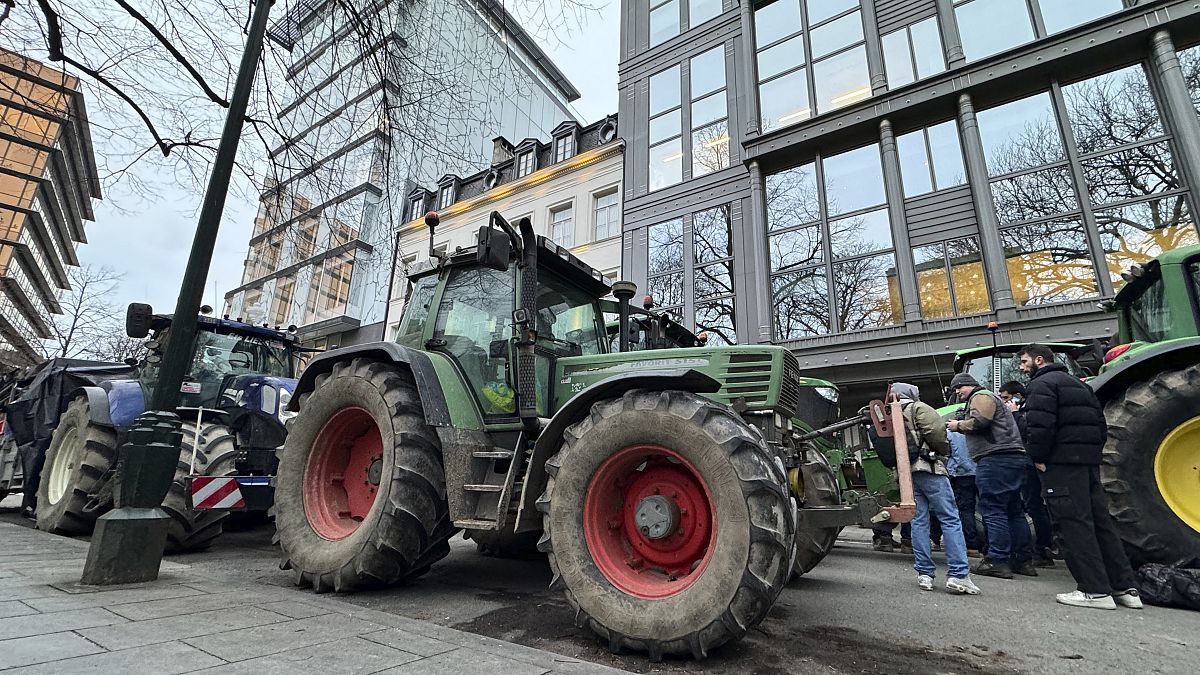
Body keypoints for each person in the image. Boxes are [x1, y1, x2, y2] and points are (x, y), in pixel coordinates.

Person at [1018, 344, 1141, 610]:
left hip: (1060, 464)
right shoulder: (1080, 385)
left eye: (1024, 361)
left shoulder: (1040, 386)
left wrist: (1038, 457)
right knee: (1100, 523)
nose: (1021, 367)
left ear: (1039, 360)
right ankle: (1124, 588)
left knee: (1073, 525)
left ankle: (1094, 590)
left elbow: (1039, 426)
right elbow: (1100, 423)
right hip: (1087, 463)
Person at [891, 383, 980, 595]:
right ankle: (958, 574)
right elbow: (937, 433)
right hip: (929, 468)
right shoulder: (918, 408)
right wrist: (943, 451)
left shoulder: (889, 414)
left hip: (906, 474)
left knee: (918, 521)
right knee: (950, 518)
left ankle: (924, 574)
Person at [946, 373, 1036, 579]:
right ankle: (1022, 560)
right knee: (1013, 510)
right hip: (1012, 457)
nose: (957, 392)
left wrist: (958, 425)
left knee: (993, 509)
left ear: (969, 385)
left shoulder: (981, 396)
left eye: (958, 388)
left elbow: (980, 421)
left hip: (995, 458)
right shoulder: (989, 397)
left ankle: (997, 559)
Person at [1001, 380, 1055, 568]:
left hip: (1031, 464)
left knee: (1035, 506)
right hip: (1030, 463)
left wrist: (1014, 414)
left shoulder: (1026, 412)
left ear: (1017, 397)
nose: (1004, 402)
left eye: (1006, 398)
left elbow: (1026, 432)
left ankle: (1043, 548)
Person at [946, 427, 983, 557]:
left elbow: (949, 454)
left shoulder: (951, 433)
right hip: (982, 471)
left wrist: (951, 470)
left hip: (962, 474)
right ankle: (990, 547)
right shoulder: (980, 428)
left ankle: (972, 545)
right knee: (989, 510)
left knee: (966, 510)